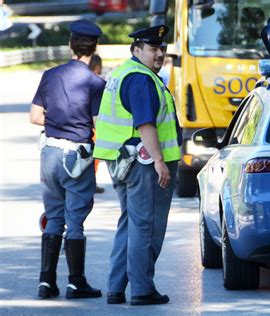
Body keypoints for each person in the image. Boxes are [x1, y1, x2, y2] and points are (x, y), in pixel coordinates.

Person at [93, 25, 181, 306]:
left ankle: (116, 288)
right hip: (143, 162)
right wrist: (159, 161)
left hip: (122, 160)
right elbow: (145, 123)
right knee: (146, 226)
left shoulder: (121, 73)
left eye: (162, 49)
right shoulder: (141, 79)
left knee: (129, 223)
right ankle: (142, 289)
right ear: (136, 50)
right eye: (153, 49)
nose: (159, 54)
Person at [30, 19, 105, 300]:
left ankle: (46, 282)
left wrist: (58, 119)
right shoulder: (96, 83)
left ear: (71, 45)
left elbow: (35, 117)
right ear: (94, 47)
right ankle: (76, 282)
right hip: (78, 156)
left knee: (53, 217)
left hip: (49, 152)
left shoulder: (50, 75)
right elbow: (98, 123)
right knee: (75, 220)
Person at [88, 54, 106, 194]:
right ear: (98, 66)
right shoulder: (98, 83)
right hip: (94, 125)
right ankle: (91, 182)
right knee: (94, 158)